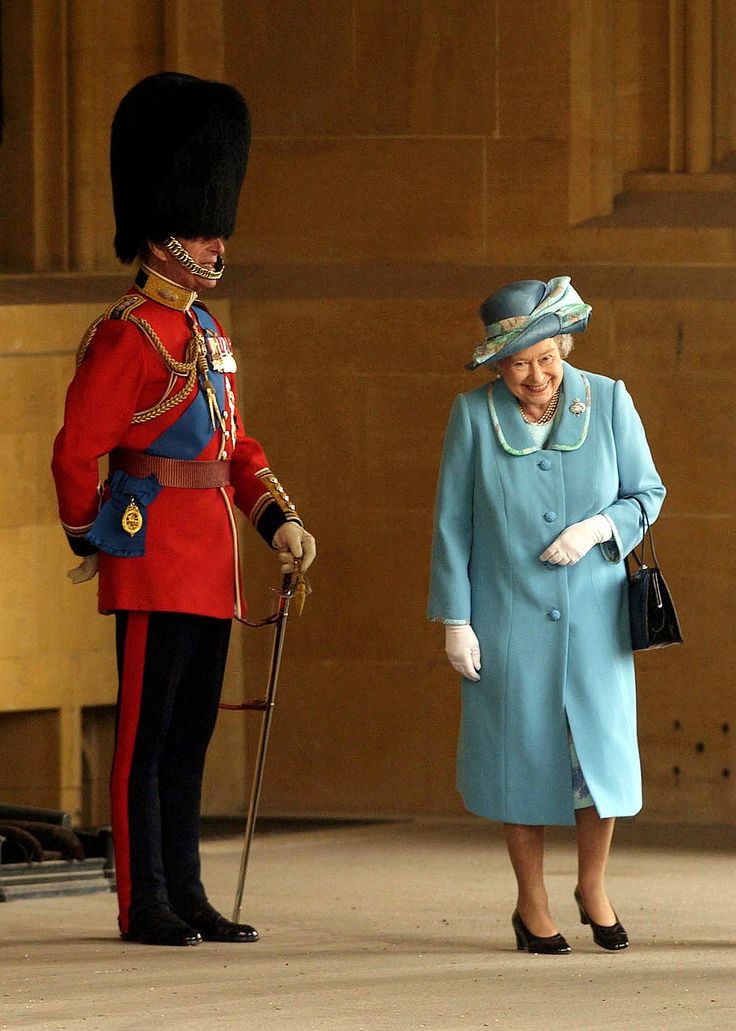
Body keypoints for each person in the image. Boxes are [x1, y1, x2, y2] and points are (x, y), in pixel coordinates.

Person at [51, 73, 316, 947]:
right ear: (163, 234)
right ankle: (143, 899)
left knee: (191, 736)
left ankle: (188, 891)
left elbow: (236, 450)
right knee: (144, 738)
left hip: (210, 565)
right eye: (203, 226)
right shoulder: (130, 335)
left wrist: (278, 523)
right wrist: (90, 532)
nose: (216, 240)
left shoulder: (208, 336)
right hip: (149, 556)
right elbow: (75, 449)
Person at [428, 276, 665, 954]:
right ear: (497, 364)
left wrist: (596, 529)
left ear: (563, 346)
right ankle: (531, 904)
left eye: (547, 358)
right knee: (519, 761)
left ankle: (593, 886)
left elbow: (647, 493)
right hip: (506, 617)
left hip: (594, 619)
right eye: (519, 362)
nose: (536, 375)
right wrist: (455, 617)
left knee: (598, 764)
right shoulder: (472, 416)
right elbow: (452, 524)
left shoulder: (610, 399)